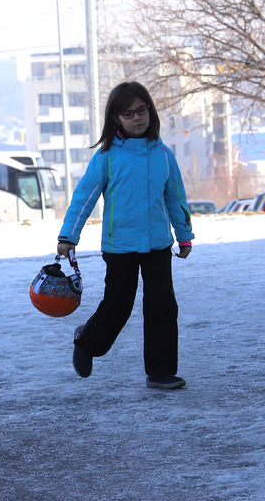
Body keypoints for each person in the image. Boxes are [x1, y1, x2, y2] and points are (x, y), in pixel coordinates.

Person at [56, 81, 194, 390]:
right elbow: (84, 198)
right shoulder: (106, 157)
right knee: (118, 306)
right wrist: (68, 236)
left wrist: (184, 236)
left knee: (163, 307)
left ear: (150, 111)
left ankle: (160, 372)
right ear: (116, 119)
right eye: (128, 113)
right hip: (120, 247)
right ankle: (87, 342)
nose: (137, 118)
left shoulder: (163, 155)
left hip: (158, 245)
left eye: (142, 110)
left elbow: (176, 198)